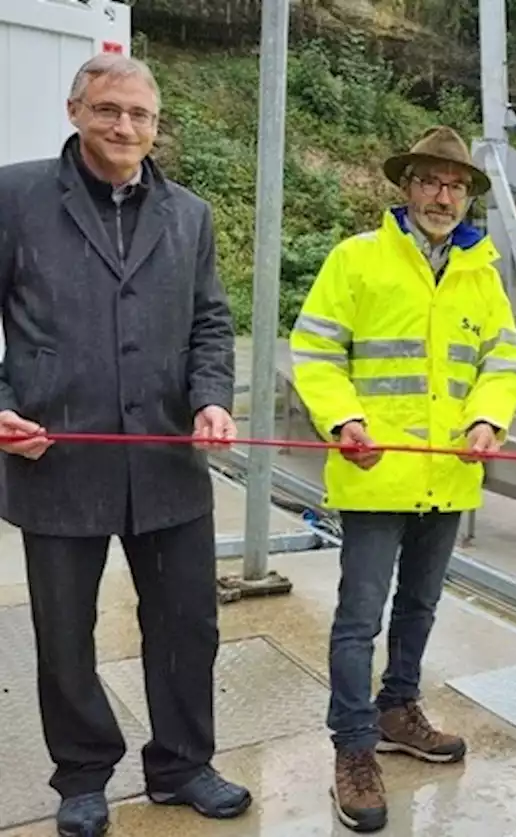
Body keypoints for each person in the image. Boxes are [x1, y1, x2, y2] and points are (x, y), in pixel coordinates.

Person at [0, 54, 249, 835]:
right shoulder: (15, 197)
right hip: (56, 456)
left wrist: (211, 398)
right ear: (76, 111)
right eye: (109, 109)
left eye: (140, 114)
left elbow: (211, 322)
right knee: (65, 633)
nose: (125, 127)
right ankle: (82, 775)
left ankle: (181, 764)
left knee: (187, 625)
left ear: (156, 123)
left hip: (168, 459)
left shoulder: (191, 214)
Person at [289, 125, 516, 831]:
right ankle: (354, 745)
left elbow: (503, 361)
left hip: (447, 476)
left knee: (420, 606)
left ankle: (398, 708)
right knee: (359, 617)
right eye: (430, 180)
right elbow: (316, 348)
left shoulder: (481, 272)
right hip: (375, 472)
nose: (443, 195)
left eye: (455, 185)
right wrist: (342, 420)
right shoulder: (357, 260)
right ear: (406, 186)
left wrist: (487, 419)